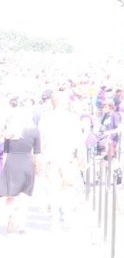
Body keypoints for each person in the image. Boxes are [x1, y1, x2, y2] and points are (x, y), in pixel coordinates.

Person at [37, 90, 87, 224]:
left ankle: (55, 218)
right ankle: (65, 213)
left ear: (52, 102)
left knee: (53, 188)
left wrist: (39, 159)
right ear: (64, 102)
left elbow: (40, 141)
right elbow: (79, 140)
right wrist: (82, 157)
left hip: (51, 157)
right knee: (67, 187)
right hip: (68, 157)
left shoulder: (45, 118)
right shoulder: (73, 118)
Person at [0, 106, 40, 233]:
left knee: (10, 196)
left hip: (11, 165)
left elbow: (5, 152)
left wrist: (4, 170)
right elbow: (37, 153)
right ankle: (21, 224)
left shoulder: (10, 133)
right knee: (23, 197)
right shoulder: (34, 132)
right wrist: (37, 167)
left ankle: (10, 217)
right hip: (26, 165)